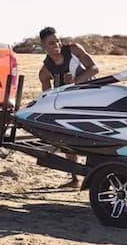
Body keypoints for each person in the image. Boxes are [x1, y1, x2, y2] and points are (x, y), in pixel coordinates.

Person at [37, 26, 99, 188]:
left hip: (91, 98)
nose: (56, 45)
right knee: (67, 140)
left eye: (57, 41)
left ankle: (94, 175)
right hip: (70, 104)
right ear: (44, 46)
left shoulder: (74, 50)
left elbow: (94, 68)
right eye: (51, 43)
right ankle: (75, 179)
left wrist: (76, 80)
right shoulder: (45, 70)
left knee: (93, 139)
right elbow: (48, 96)